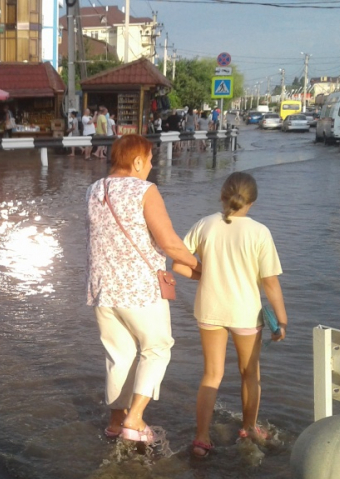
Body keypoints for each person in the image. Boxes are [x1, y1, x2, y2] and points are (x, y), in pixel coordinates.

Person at [86, 134, 200, 444]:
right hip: (138, 289)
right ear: (137, 161)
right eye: (150, 160)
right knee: (157, 348)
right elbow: (169, 243)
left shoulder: (94, 190)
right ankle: (134, 420)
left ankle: (114, 422)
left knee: (119, 356)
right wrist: (200, 267)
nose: (151, 166)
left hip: (102, 290)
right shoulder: (145, 190)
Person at [172, 172, 288, 458]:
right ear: (253, 201)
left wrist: (205, 275)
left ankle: (201, 438)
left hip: (210, 309)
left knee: (212, 374)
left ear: (222, 196)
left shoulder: (204, 225)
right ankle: (248, 429)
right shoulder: (259, 232)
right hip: (246, 314)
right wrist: (282, 319)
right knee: (250, 374)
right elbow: (270, 282)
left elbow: (178, 265)